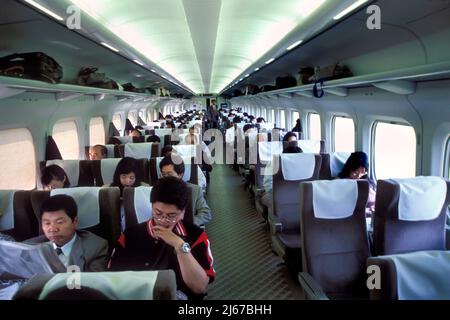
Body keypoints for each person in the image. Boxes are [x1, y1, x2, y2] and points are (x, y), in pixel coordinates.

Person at [108, 177, 215, 300]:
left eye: (172, 215)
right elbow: (114, 279)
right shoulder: (130, 235)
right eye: (158, 213)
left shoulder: (196, 236)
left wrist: (180, 245)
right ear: (152, 206)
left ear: (183, 212)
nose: (163, 220)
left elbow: (199, 287)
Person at [25, 194, 108, 271]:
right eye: (47, 223)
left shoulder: (95, 247)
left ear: (75, 222)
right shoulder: (29, 247)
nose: (52, 229)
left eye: (60, 222)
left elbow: (93, 283)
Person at [159, 155, 212, 227]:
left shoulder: (195, 190)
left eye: (169, 174)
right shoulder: (157, 191)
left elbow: (206, 213)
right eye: (163, 174)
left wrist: (188, 223)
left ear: (180, 175)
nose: (165, 178)